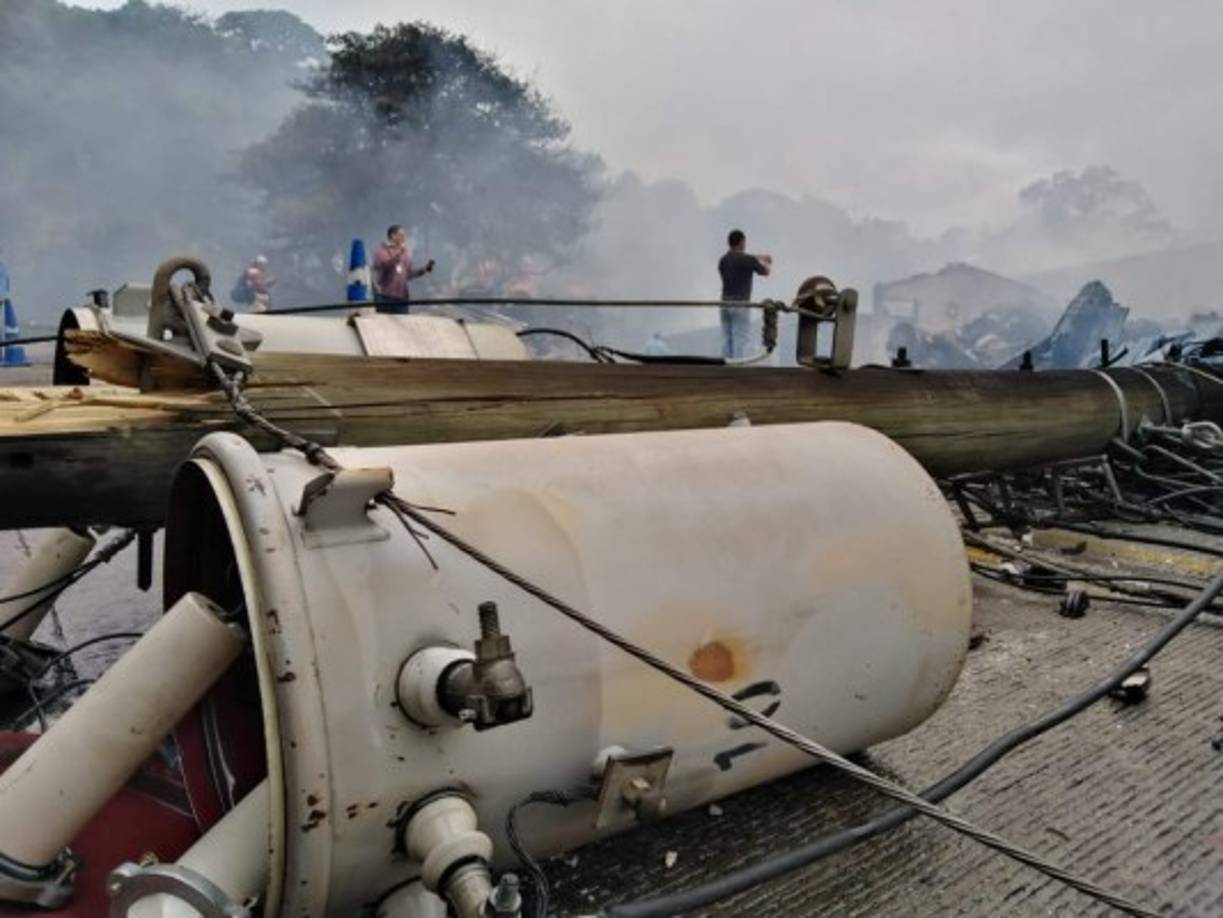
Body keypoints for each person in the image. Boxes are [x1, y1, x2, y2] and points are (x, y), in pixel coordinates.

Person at [717, 229, 772, 359]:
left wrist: (759, 257)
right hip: (740, 304)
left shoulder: (723, 260)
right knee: (740, 340)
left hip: (723, 304)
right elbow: (766, 272)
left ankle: (724, 369)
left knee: (727, 339)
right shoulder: (748, 260)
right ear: (742, 242)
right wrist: (767, 262)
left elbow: (741, 257)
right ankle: (737, 371)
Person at [373, 224, 434, 314]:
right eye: (401, 235)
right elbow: (384, 266)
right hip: (385, 297)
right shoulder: (382, 251)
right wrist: (398, 254)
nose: (404, 238)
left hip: (402, 298)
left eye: (404, 235)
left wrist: (424, 270)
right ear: (393, 236)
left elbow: (408, 274)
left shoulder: (405, 253)